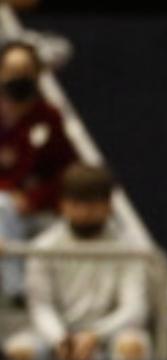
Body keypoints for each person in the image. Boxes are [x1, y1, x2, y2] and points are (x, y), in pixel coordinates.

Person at [2, 162, 151, 360]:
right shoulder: (43, 247)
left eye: (91, 205)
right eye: (76, 204)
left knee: (132, 347)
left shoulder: (130, 248)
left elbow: (134, 309)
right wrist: (61, 339)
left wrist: (95, 335)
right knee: (19, 351)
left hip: (109, 333)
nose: (83, 213)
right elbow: (41, 306)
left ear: (108, 206)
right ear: (63, 205)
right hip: (54, 334)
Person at [0, 39, 77, 305]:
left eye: (26, 70)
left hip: (34, 211)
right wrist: (9, 194)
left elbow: (67, 174)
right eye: (11, 69)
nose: (18, 77)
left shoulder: (48, 117)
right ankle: (16, 290)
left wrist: (32, 199)